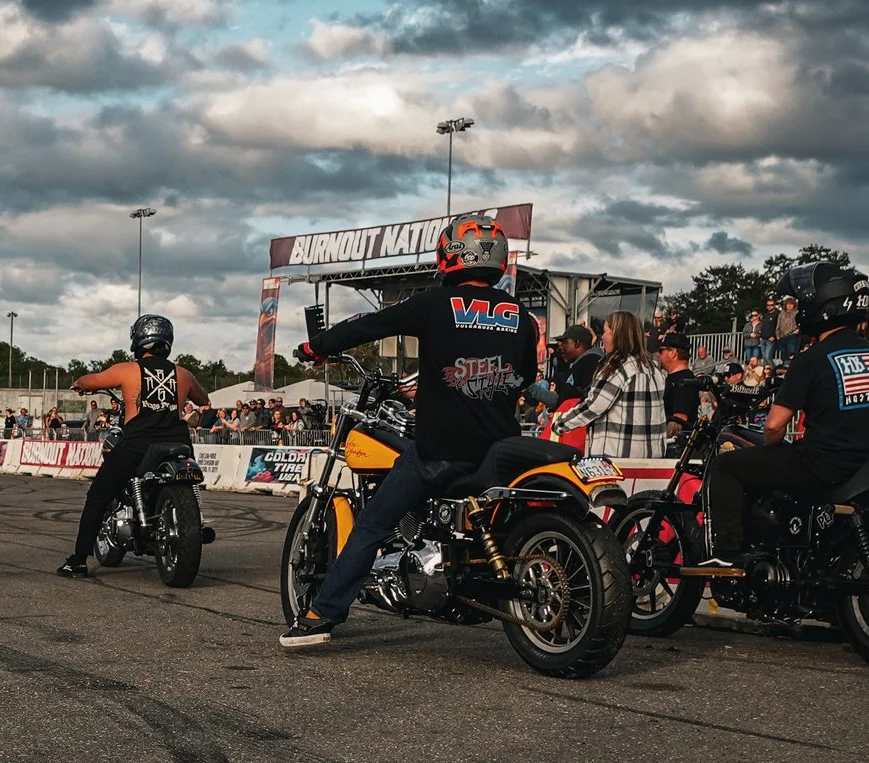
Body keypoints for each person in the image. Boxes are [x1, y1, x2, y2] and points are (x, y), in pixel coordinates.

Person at [281, 216, 541, 646]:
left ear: (450, 254)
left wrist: (317, 346)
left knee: (369, 527)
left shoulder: (436, 303)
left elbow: (367, 324)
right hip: (499, 449)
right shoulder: (523, 317)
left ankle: (319, 615)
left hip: (441, 451)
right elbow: (524, 375)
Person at [687, 263, 869, 576]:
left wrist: (772, 443)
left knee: (725, 466)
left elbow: (774, 425)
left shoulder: (813, 357)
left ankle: (726, 557)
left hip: (826, 464)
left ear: (821, 305)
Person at [56, 314, 209, 578]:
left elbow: (93, 380)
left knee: (97, 496)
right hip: (178, 443)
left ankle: (79, 560)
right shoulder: (182, 374)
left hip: (139, 443)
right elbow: (203, 397)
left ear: (139, 340)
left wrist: (80, 384)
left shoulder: (128, 370)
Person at [553, 310, 667, 460]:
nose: (602, 337)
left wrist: (559, 424)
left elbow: (594, 406)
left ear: (617, 335)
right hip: (651, 458)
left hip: (616, 459)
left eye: (606, 331)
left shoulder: (616, 367)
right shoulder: (653, 369)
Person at [653, 329, 704, 454]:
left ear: (673, 353)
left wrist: (656, 443)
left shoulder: (684, 382)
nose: (659, 355)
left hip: (675, 449)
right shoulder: (675, 379)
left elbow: (679, 420)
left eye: (662, 351)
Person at [548, 325, 600, 410]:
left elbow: (589, 402)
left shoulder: (590, 362)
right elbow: (563, 399)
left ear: (577, 343)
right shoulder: (580, 363)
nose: (561, 347)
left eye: (564, 342)